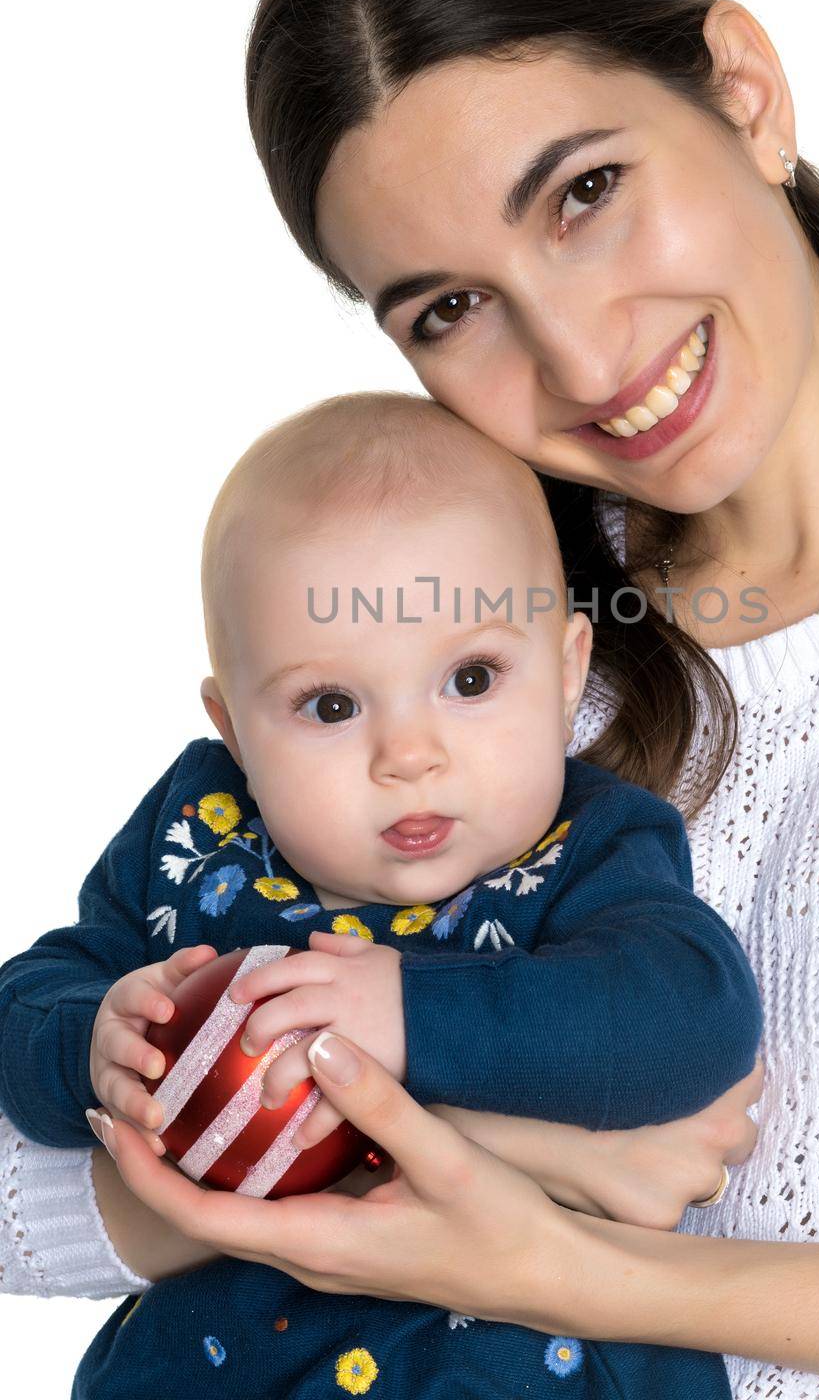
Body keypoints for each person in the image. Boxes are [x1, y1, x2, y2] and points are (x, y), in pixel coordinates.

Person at [3, 0, 819, 1399]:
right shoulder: (438, 664)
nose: (574, 357)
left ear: (743, 92)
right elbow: (25, 1200)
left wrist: (576, 1263)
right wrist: (489, 1147)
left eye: (584, 193)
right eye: (446, 307)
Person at [0, 391, 763, 1396]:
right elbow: (30, 996)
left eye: (472, 679)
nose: (408, 755)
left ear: (568, 669)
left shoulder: (587, 848)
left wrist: (410, 1014)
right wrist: (89, 1038)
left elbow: (695, 1013)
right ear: (233, 729)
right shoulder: (197, 834)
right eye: (330, 704)